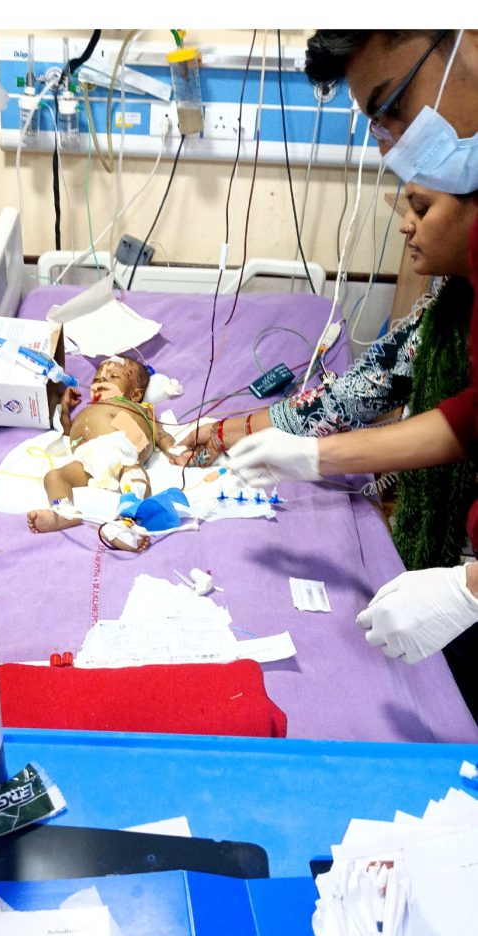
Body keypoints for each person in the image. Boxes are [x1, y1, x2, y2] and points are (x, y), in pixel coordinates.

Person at [226, 30, 478, 709]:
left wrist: (469, 589)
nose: (388, 145)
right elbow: (469, 415)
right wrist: (315, 455)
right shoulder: (455, 293)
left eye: (391, 107)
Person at [173, 184, 477, 575]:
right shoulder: (450, 306)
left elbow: (461, 425)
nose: (405, 224)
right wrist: (227, 431)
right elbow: (358, 392)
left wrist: (316, 456)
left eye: (421, 208)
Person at [27, 356, 176, 551]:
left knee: (136, 479)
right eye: (97, 379)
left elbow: (160, 434)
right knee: (54, 476)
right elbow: (67, 432)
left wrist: (174, 450)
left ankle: (125, 523)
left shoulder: (140, 409)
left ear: (136, 394)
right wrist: (65, 409)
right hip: (87, 459)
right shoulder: (90, 409)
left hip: (124, 454)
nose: (103, 380)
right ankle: (64, 511)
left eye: (113, 376)